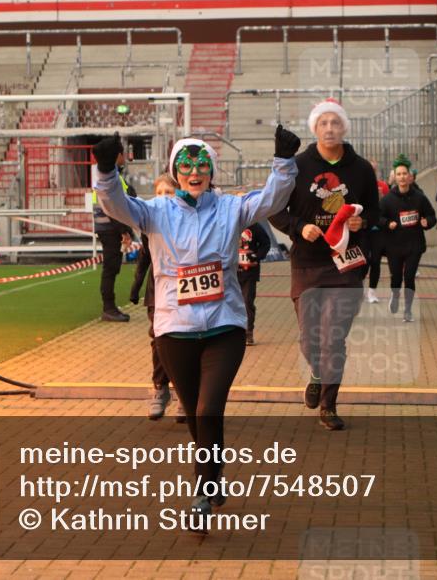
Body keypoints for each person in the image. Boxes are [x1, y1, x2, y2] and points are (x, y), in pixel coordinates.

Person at [93, 127, 300, 526]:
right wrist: (105, 171)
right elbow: (117, 204)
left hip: (225, 326)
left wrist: (283, 162)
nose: (194, 170)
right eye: (186, 165)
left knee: (208, 410)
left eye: (202, 164)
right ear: (175, 171)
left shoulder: (231, 208)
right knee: (195, 413)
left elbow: (273, 198)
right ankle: (214, 472)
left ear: (212, 171)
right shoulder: (156, 211)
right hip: (175, 331)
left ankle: (202, 495)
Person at [269, 98, 380, 432]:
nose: (330, 128)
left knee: (334, 336)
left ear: (344, 127)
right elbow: (274, 207)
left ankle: (329, 404)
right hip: (307, 263)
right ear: (314, 128)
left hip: (346, 265)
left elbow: (375, 210)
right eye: (323, 123)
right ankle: (317, 374)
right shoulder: (298, 165)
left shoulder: (361, 169)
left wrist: (364, 222)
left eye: (335, 123)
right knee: (310, 340)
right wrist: (297, 228)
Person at [129, 173, 186, 422]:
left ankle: (185, 395)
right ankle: (160, 388)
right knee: (159, 340)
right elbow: (144, 257)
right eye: (160, 193)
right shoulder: (150, 223)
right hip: (157, 291)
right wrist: (136, 285)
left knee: (184, 342)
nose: (164, 198)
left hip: (185, 288)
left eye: (169, 193)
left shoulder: (188, 221)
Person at [379, 155, 436, 322]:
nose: (402, 177)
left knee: (409, 277)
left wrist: (427, 222)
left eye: (405, 174)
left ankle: (408, 310)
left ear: (409, 176)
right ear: (395, 177)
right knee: (396, 277)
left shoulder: (419, 197)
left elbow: (431, 215)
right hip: (394, 245)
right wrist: (387, 223)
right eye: (399, 174)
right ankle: (395, 295)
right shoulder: (388, 199)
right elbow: (377, 217)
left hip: (414, 244)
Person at [91, 134, 137, 322]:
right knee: (111, 268)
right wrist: (124, 231)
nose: (125, 156)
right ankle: (108, 308)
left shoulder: (111, 176)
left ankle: (110, 307)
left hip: (108, 227)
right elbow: (113, 209)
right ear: (116, 155)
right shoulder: (111, 179)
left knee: (112, 267)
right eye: (122, 153)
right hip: (110, 228)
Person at [237, 220, 270, 345]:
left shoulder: (255, 226)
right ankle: (233, 333)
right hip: (231, 273)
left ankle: (248, 332)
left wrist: (257, 256)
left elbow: (266, 243)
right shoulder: (226, 222)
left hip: (249, 273)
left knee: (247, 302)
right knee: (231, 303)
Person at [365, 160, 390, 304]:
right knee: (362, 262)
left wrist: (381, 198)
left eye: (374, 169)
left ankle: (372, 292)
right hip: (363, 230)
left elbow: (387, 208)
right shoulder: (361, 184)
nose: (372, 171)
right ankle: (359, 290)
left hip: (378, 232)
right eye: (370, 169)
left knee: (376, 261)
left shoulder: (383, 186)